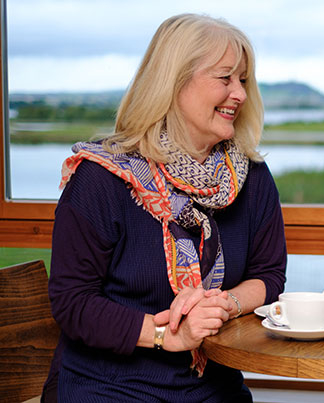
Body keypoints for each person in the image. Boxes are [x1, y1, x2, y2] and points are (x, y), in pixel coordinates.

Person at [43, 13, 287, 402]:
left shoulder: (251, 176)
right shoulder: (101, 178)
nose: (239, 93)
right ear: (173, 83)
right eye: (225, 78)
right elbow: (73, 304)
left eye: (242, 80)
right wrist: (169, 336)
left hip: (212, 387)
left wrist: (224, 303)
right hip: (109, 387)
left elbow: (270, 275)